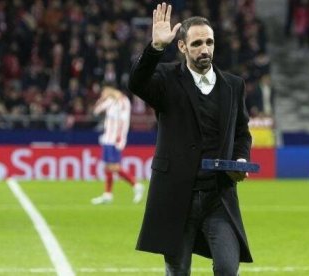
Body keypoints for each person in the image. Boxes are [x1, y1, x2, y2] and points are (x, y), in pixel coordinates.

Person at [128, 3, 253, 275]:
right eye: (196, 43)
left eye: (209, 42)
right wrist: (156, 48)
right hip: (176, 196)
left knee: (227, 268)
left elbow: (242, 132)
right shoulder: (165, 78)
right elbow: (136, 83)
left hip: (218, 197)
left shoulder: (233, 85)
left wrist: (241, 160)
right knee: (178, 271)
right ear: (183, 47)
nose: (205, 49)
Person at [91, 85, 145, 205]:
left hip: (116, 139)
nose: (104, 93)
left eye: (105, 91)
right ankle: (107, 195)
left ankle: (136, 185)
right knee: (107, 167)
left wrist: (121, 139)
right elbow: (96, 111)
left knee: (113, 167)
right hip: (107, 139)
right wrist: (102, 100)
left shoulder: (124, 102)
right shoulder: (110, 102)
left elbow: (124, 122)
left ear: (112, 90)